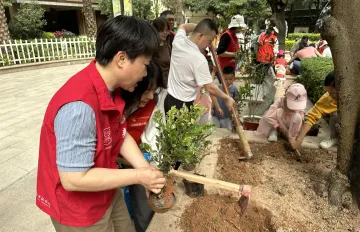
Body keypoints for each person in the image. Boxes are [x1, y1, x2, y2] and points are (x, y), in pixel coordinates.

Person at [36, 16, 166, 231]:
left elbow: (119, 133)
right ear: (122, 59)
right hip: (79, 209)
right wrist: (137, 175)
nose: (145, 74)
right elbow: (74, 179)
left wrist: (145, 170)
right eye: (144, 65)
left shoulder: (113, 91)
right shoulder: (79, 107)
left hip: (106, 189)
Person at [121, 60, 165, 232]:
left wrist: (148, 167)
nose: (150, 96)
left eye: (154, 91)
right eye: (147, 91)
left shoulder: (153, 104)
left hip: (136, 156)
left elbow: (151, 136)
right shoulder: (118, 105)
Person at [164, 19, 236, 115]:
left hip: (169, 99)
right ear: (201, 36)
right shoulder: (199, 59)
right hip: (183, 105)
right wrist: (226, 97)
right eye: (209, 41)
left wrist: (199, 27)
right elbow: (210, 87)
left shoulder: (178, 41)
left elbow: (183, 27)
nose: (209, 45)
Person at [291, 71, 338, 150]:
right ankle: (334, 137)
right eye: (329, 92)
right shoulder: (328, 98)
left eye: (332, 93)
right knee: (336, 114)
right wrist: (299, 140)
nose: (330, 95)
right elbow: (312, 116)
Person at [152, 17, 172, 87]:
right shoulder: (150, 48)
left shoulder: (167, 46)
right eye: (161, 30)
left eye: (166, 30)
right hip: (155, 85)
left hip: (167, 84)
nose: (165, 33)